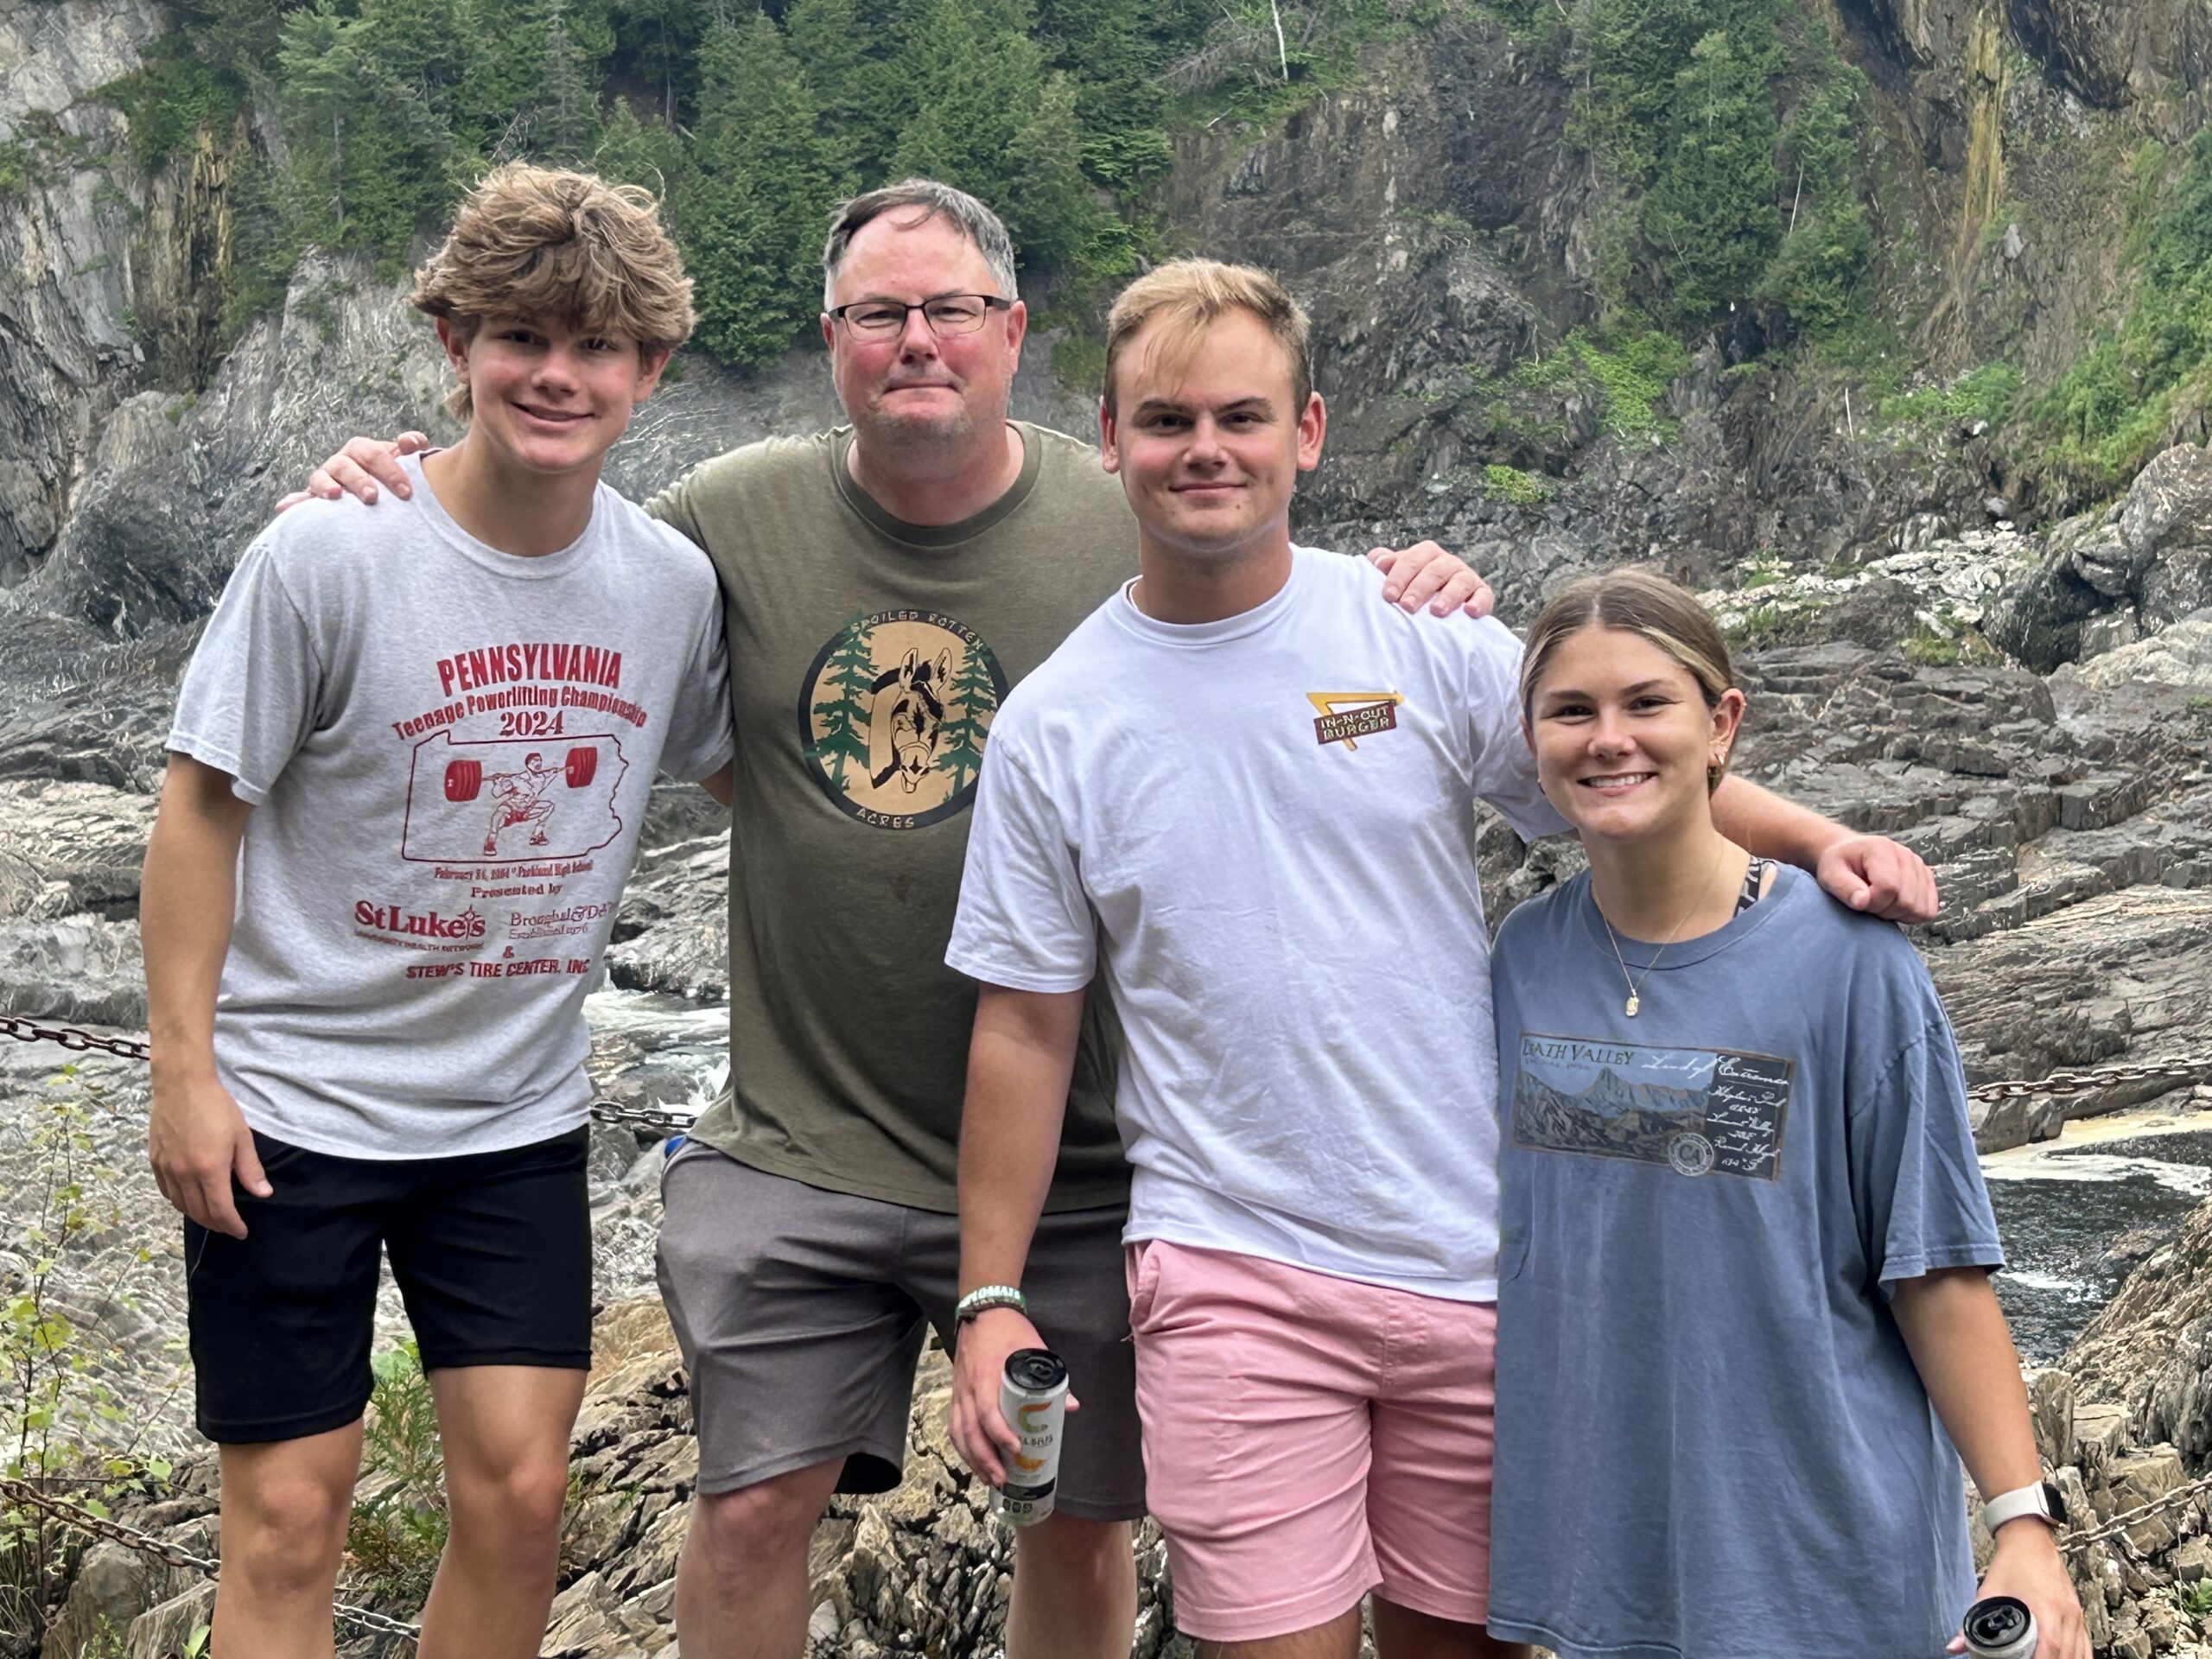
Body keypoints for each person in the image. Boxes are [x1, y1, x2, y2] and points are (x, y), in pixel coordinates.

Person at [286, 181, 1500, 1659]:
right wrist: (390, 492)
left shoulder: (1119, 507)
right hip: (802, 1137)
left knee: (1075, 1518)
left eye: (951, 310)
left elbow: (1267, 614)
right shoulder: (730, 516)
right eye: (878, 313)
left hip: (1085, 1152)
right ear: (831, 340)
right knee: (748, 1508)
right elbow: (546, 553)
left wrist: (1422, 589)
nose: (917, 340)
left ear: (1014, 333)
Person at [942, 259, 1941, 1658]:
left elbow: (1623, 778)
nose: (1205, 449)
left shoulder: (1412, 634)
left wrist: (1827, 845)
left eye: (1242, 416)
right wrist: (989, 1301)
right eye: (1166, 421)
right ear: (1109, 438)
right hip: (1231, 1273)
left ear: (1308, 433)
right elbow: (1024, 1028)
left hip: (1479, 1269)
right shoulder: (1057, 724)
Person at [141, 164, 735, 1659]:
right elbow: (199, 812)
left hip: (509, 1121)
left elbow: (763, 784)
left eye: (597, 346)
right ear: (456, 344)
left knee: (524, 1499)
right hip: (293, 1113)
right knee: (287, 1524)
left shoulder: (666, 586)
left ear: (652, 372)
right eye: (522, 336)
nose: (557, 375)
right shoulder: (328, 552)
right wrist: (184, 1075)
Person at [1486, 567, 2088, 1659]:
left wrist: (2021, 1525)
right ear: (1530, 742)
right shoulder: (1523, 959)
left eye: (1647, 703)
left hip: (1823, 1571)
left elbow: (1935, 1268)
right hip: (1606, 1573)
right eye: (1571, 710)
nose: (1609, 739)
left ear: (1721, 725)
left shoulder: (1851, 964)